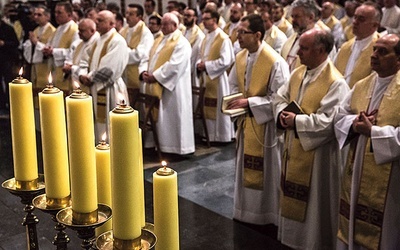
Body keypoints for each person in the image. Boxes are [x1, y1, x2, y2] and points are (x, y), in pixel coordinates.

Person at [274, 28, 349, 249]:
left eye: (304, 48)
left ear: (321, 50)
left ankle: (313, 243)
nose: (298, 52)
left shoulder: (336, 83)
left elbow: (329, 122)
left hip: (318, 157)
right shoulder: (298, 72)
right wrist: (281, 113)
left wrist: (296, 122)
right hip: (293, 146)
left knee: (315, 206)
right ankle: (290, 239)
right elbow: (280, 97)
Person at [335, 34, 400, 250]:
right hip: (357, 165)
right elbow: (339, 115)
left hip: (391, 176)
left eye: (383, 52)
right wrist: (354, 124)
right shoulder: (362, 85)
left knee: (386, 230)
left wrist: (374, 132)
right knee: (353, 218)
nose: (374, 56)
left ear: (398, 59)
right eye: (374, 50)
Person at [228, 14, 289, 225]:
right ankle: (245, 211)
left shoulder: (275, 61)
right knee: (245, 167)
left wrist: (249, 103)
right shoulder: (241, 57)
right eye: (237, 32)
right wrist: (236, 102)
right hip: (246, 122)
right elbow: (234, 86)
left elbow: (279, 98)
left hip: (266, 128)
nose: (238, 36)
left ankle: (267, 214)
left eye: (243, 32)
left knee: (268, 171)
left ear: (257, 35)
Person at [141, 13, 195, 155]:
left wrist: (156, 76)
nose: (162, 26)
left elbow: (175, 65)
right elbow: (148, 57)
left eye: (166, 24)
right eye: (162, 24)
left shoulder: (181, 43)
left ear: (175, 26)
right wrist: (145, 73)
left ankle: (176, 149)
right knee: (161, 118)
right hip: (157, 84)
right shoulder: (159, 39)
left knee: (173, 116)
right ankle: (159, 145)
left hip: (174, 89)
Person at [78, 10, 129, 140]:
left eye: (100, 20)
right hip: (95, 86)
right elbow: (84, 59)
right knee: (98, 124)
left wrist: (89, 77)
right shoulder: (98, 40)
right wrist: (82, 74)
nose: (96, 22)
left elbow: (108, 69)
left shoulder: (117, 41)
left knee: (112, 126)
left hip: (109, 88)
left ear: (112, 23)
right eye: (96, 20)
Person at [196, 9, 235, 143]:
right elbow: (200, 56)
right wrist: (200, 64)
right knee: (207, 107)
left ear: (214, 20)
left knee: (218, 109)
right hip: (207, 77)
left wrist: (206, 66)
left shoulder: (223, 38)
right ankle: (208, 134)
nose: (204, 21)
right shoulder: (206, 37)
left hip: (218, 79)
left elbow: (227, 60)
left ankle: (220, 136)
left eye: (207, 19)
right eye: (204, 18)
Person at [334, 2, 381, 88]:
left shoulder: (380, 51)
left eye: (361, 19)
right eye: (355, 17)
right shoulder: (345, 47)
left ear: (375, 25)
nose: (355, 22)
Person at [42, 1, 79, 92]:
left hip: (66, 72)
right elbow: (51, 44)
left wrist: (53, 52)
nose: (56, 15)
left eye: (59, 12)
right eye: (55, 12)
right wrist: (47, 49)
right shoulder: (58, 29)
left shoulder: (75, 30)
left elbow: (74, 52)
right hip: (54, 70)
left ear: (69, 14)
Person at [120, 4, 154, 94]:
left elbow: (140, 55)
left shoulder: (145, 33)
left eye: (131, 14)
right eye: (126, 13)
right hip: (123, 75)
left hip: (136, 77)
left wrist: (122, 52)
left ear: (139, 17)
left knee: (138, 106)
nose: (127, 16)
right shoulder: (124, 30)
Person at [23, 5, 55, 98]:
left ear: (47, 16)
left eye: (39, 15)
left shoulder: (52, 31)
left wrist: (36, 42)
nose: (36, 17)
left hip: (47, 64)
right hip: (36, 66)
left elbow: (50, 50)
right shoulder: (36, 30)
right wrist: (30, 44)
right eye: (35, 14)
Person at [63, 18, 99, 93]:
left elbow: (92, 67)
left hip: (89, 85)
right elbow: (71, 59)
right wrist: (68, 65)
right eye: (79, 30)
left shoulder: (97, 44)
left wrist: (72, 68)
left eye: (82, 31)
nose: (79, 33)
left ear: (92, 31)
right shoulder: (79, 44)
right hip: (77, 83)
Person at [0, 12, 19, 116]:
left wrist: (4, 43)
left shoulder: (8, 29)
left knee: (8, 81)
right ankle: (1, 105)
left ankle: (10, 103)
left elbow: (16, 43)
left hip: (7, 59)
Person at [183, 8, 205, 90]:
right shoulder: (182, 32)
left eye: (188, 15)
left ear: (195, 18)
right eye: (184, 15)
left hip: (192, 72)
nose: (185, 17)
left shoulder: (199, 35)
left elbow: (198, 55)